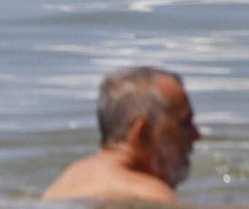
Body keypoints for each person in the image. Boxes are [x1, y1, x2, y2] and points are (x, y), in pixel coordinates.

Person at [43, 66, 201, 201]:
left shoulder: (63, 184)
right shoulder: (147, 194)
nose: (196, 135)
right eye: (184, 124)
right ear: (143, 134)